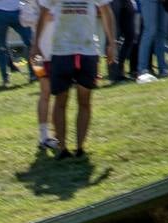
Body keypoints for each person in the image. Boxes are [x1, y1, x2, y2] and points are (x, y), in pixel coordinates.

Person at [33, 0, 114, 158]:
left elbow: (106, 11)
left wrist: (112, 43)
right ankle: (62, 148)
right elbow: (43, 13)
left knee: (84, 100)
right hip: (61, 51)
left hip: (88, 51)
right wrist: (35, 45)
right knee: (60, 100)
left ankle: (80, 147)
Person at [22, 0, 57, 151]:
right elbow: (23, 20)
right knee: (45, 93)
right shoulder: (31, 2)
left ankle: (57, 134)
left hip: (60, 53)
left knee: (59, 94)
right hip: (38, 54)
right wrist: (40, 18)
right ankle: (43, 136)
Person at [0, 0, 33, 86]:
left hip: (1, 12)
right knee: (30, 43)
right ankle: (33, 74)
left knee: (1, 47)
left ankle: (5, 78)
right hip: (14, 11)